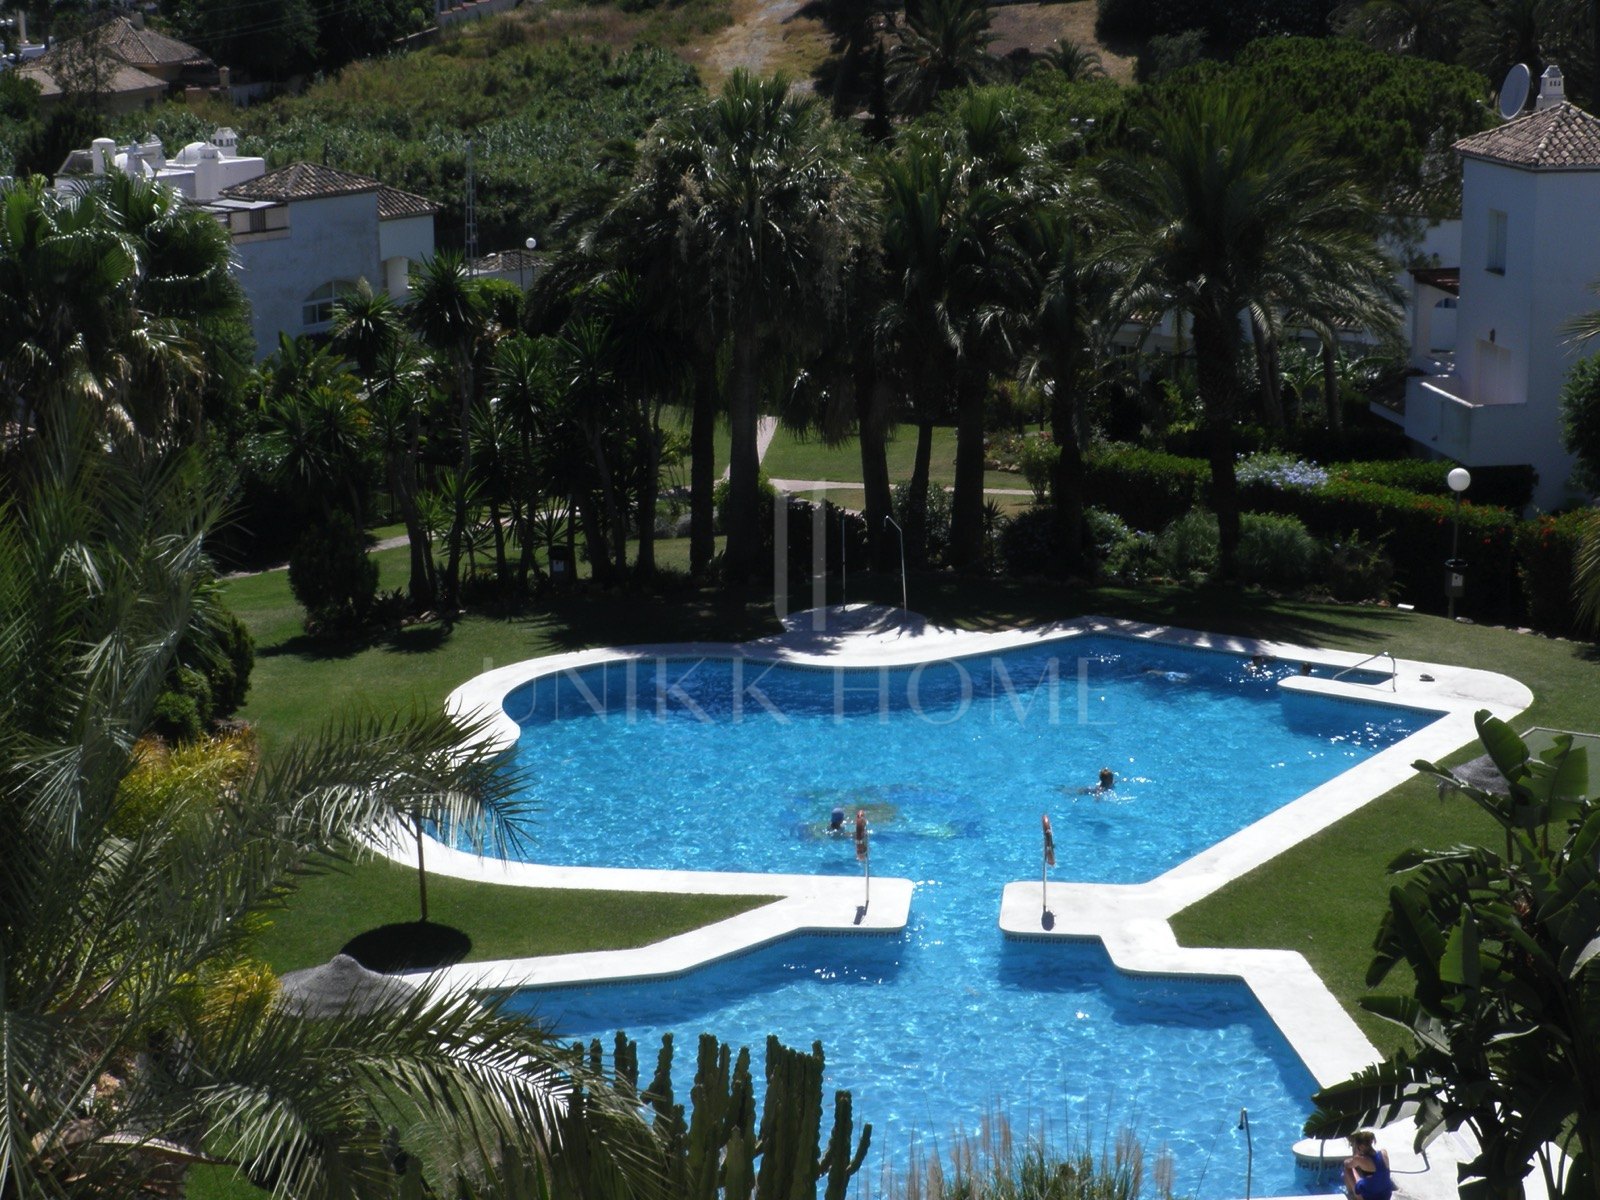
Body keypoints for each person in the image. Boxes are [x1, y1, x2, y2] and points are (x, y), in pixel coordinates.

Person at [1342, 1131, 1393, 1200]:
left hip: (1370, 1196)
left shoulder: (1360, 1159)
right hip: (1386, 1195)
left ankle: (1354, 1195)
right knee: (1371, 1177)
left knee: (1347, 1169)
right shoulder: (1383, 1152)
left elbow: (1346, 1163)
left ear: (1361, 1146)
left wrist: (1355, 1155)